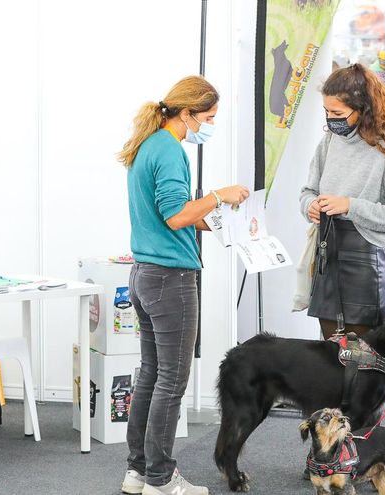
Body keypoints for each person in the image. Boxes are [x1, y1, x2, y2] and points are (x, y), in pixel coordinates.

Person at [118, 76, 250, 495]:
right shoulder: (170, 151)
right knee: (171, 382)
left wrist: (218, 220)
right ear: (187, 112)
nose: (209, 125)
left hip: (145, 275)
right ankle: (160, 478)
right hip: (170, 279)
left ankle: (138, 472)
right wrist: (218, 195)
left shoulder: (148, 145)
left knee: (153, 376)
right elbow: (176, 215)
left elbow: (169, 215)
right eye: (208, 118)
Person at [300, 64, 385, 339]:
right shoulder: (329, 142)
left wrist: (350, 206)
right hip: (327, 252)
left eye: (337, 113)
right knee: (329, 352)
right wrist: (311, 206)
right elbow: (307, 191)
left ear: (362, 109)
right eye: (327, 112)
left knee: (362, 353)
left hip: (365, 261)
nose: (330, 119)